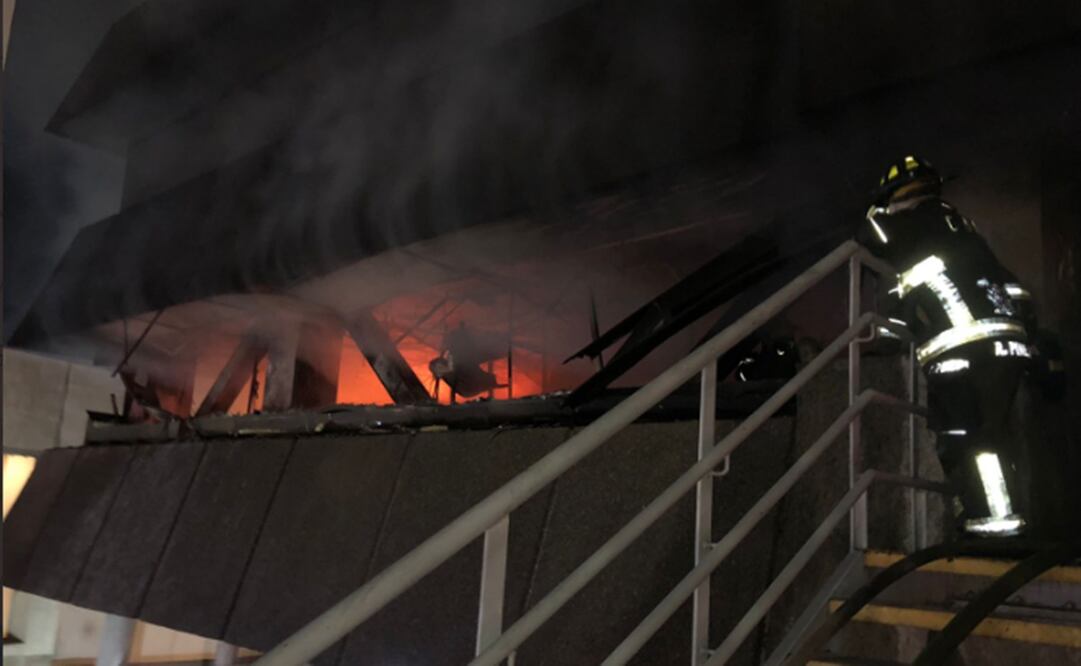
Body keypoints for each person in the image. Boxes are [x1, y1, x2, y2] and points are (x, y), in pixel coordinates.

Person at [859, 155, 1039, 538]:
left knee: (967, 435)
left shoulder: (898, 226)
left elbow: (874, 248)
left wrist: (889, 336)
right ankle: (1001, 515)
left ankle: (995, 524)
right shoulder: (959, 227)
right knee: (994, 431)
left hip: (961, 347)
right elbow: (1013, 288)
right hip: (1007, 343)